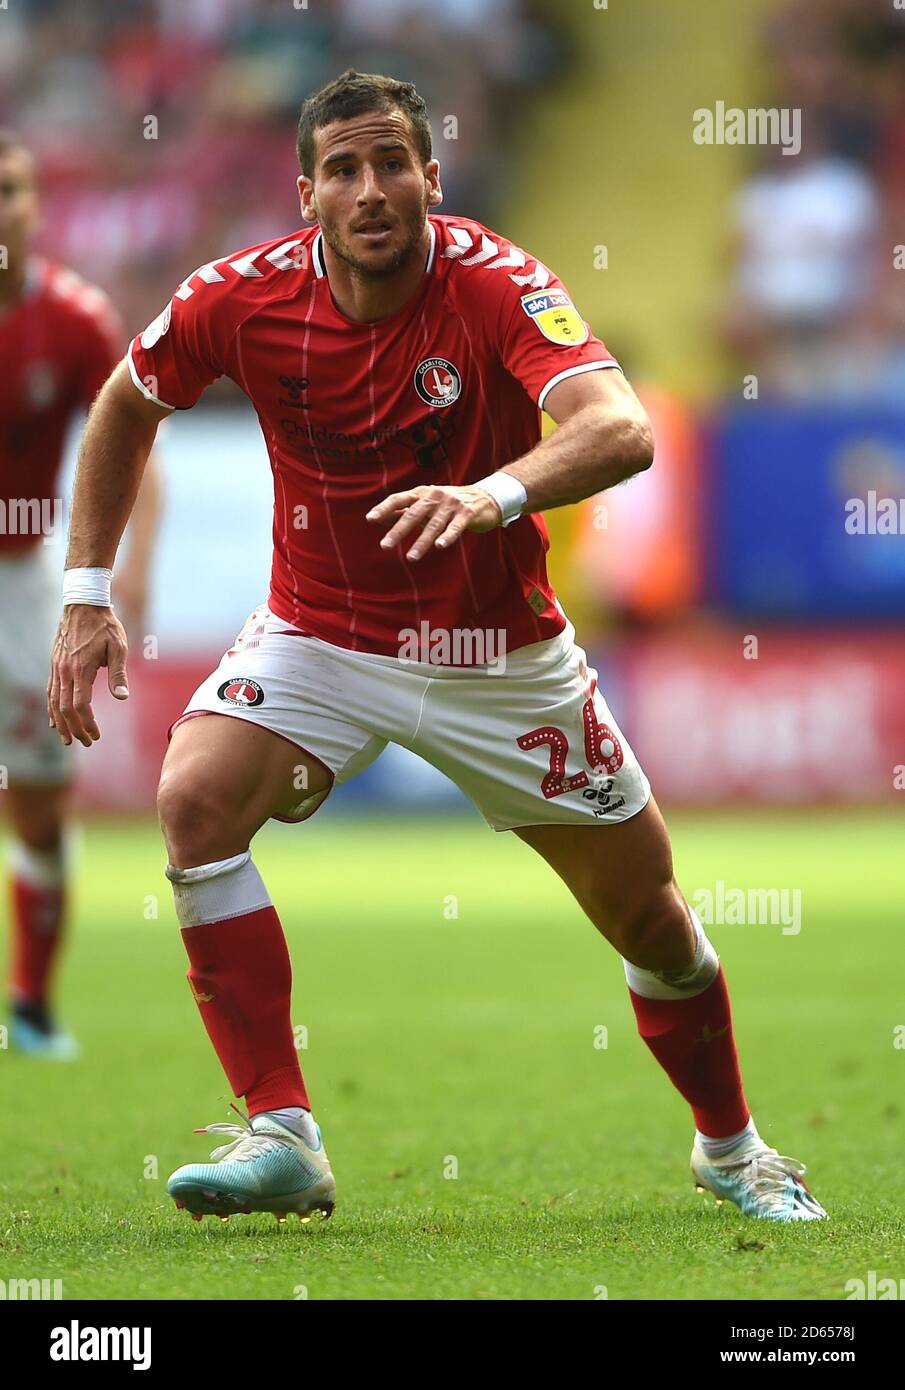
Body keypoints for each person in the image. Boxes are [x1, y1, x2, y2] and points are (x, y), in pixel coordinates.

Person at [47, 71, 826, 1223]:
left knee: (651, 922)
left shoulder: (496, 282)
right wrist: (84, 591)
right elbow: (126, 402)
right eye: (345, 170)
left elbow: (620, 427)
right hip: (320, 633)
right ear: (305, 192)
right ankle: (282, 1134)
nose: (372, 191)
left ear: (431, 178)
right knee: (194, 802)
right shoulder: (238, 296)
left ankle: (731, 1147)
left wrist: (494, 495)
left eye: (392, 164)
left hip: (497, 658)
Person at [0, 131, 160, 1058]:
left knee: (39, 797)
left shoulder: (72, 319)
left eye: (9, 189)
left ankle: (30, 1002)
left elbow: (135, 433)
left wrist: (126, 565)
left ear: (35, 205)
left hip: (24, 582)